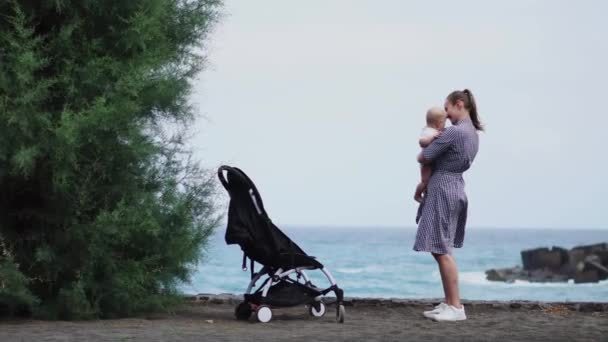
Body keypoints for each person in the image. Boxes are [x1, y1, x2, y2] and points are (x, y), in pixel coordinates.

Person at [414, 89, 482, 322]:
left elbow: (425, 155)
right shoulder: (472, 133)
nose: (445, 114)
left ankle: (455, 307)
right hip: (454, 186)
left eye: (447, 108)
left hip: (444, 186)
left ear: (459, 104)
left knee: (441, 248)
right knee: (440, 246)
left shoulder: (455, 132)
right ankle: (449, 302)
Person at [414, 107, 447, 203]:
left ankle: (425, 192)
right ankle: (417, 195)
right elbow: (422, 142)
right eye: (444, 123)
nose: (444, 125)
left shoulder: (435, 131)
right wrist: (431, 138)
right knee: (425, 181)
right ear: (438, 123)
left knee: (430, 180)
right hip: (426, 163)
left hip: (431, 161)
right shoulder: (428, 132)